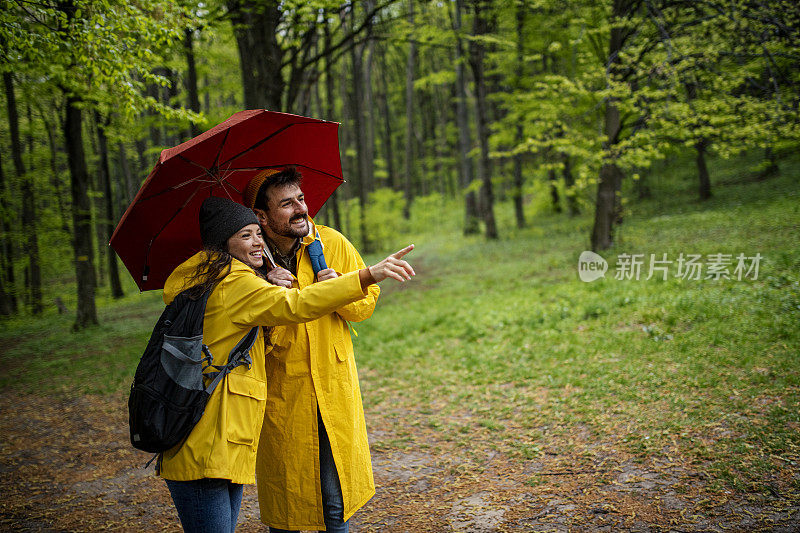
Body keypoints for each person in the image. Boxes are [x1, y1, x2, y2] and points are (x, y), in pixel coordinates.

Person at [158, 195, 414, 533]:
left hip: (218, 430)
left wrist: (266, 283)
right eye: (245, 235)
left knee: (332, 504)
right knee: (282, 506)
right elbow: (296, 304)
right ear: (225, 242)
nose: (255, 242)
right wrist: (365, 275)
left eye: (256, 235)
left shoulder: (215, 275)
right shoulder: (235, 282)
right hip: (208, 432)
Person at [242, 168, 382, 532]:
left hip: (332, 386)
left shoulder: (330, 242)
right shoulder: (248, 260)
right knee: (285, 505)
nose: (300, 209)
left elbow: (365, 308)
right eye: (286, 204)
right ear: (261, 216)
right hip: (282, 392)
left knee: (336, 505)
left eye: (300, 199)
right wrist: (263, 288)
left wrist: (341, 289)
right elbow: (237, 325)